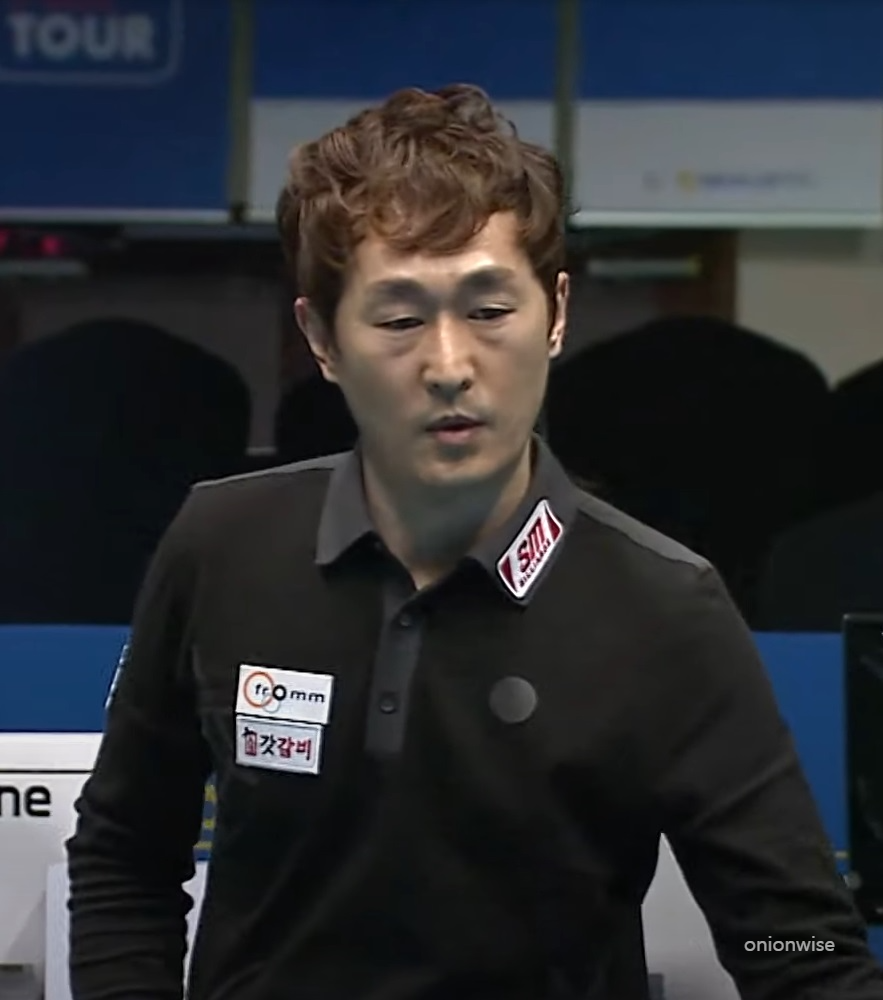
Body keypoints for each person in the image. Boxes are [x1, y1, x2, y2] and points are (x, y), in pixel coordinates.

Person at [66, 84, 883, 1000]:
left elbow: (794, 945)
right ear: (321, 338)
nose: (449, 365)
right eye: (399, 319)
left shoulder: (664, 607)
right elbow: (124, 856)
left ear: (556, 314)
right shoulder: (221, 545)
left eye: (489, 311)